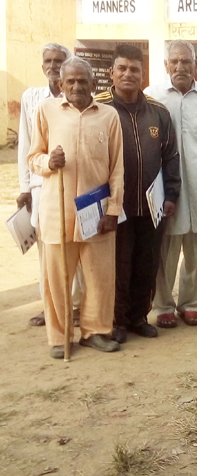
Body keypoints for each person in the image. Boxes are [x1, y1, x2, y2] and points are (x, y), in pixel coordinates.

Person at [27, 56, 124, 357]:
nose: (76, 86)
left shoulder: (109, 116)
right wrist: (47, 162)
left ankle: (95, 331)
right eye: (70, 81)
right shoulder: (46, 111)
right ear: (60, 84)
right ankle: (60, 337)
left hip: (96, 213)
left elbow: (117, 168)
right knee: (57, 279)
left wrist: (113, 210)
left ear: (95, 85)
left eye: (83, 81)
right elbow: (33, 157)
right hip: (57, 211)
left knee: (100, 277)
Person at [95, 45, 181, 343]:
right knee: (119, 265)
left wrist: (171, 195)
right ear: (112, 73)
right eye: (122, 68)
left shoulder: (158, 112)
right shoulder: (99, 108)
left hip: (151, 206)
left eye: (134, 69)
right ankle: (117, 320)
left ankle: (139, 316)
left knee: (147, 263)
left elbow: (171, 156)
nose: (128, 74)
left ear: (142, 74)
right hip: (114, 207)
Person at [146, 40, 197, 328]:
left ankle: (192, 304)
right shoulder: (152, 97)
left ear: (196, 65)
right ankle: (164, 306)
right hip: (166, 190)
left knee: (196, 249)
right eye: (175, 62)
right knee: (165, 251)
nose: (180, 67)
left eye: (186, 62)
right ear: (166, 65)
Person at [17, 43, 76, 328]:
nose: (53, 65)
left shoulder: (79, 96)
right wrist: (25, 187)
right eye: (48, 61)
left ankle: (75, 307)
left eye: (59, 60)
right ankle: (50, 307)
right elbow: (26, 147)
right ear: (42, 66)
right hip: (42, 186)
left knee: (76, 243)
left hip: (74, 184)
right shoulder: (32, 98)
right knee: (48, 251)